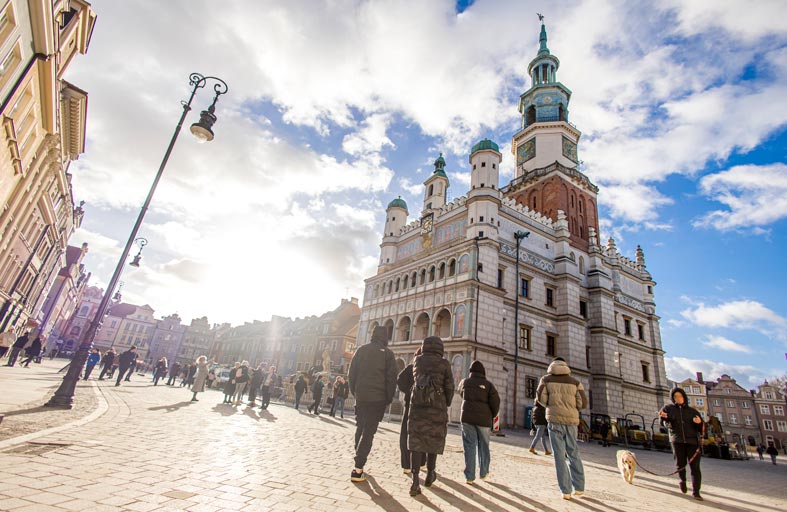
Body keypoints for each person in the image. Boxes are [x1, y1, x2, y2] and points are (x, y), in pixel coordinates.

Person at [348, 325, 397, 483]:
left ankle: (358, 459)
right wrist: (388, 398)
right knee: (368, 432)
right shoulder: (388, 355)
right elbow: (391, 379)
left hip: (361, 396)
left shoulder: (361, 350)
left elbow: (352, 372)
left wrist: (355, 391)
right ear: (386, 337)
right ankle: (358, 467)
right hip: (377, 399)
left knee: (360, 428)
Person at [407, 336, 454, 496]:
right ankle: (430, 473)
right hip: (437, 406)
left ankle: (414, 481)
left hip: (418, 406)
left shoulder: (418, 360)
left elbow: (416, 379)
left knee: (416, 441)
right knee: (433, 438)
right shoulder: (444, 363)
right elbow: (449, 386)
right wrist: (446, 402)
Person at [537, 356, 587, 501]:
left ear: (552, 366)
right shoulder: (576, 382)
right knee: (573, 452)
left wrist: (551, 407)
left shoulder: (545, 380)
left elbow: (540, 397)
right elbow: (583, 403)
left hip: (554, 420)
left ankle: (566, 490)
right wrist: (572, 408)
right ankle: (579, 487)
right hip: (571, 422)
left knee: (559, 456)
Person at [458, 360, 500, 485]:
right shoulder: (488, 385)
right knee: (484, 446)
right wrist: (492, 414)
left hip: (467, 418)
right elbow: (495, 402)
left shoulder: (464, 382)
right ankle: (484, 472)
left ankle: (470, 476)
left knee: (469, 446)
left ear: (470, 372)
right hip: (484, 420)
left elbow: (461, 394)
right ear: (483, 372)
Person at [659, 387, 704, 501]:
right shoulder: (668, 409)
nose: (678, 398)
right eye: (675, 396)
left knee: (695, 468)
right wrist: (663, 419)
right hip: (677, 441)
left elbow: (702, 428)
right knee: (680, 464)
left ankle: (696, 492)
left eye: (680, 396)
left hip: (692, 442)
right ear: (672, 398)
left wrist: (700, 423)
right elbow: (664, 423)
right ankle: (683, 481)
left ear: (684, 397)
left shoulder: (692, 411)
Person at [397, 348, 424, 474]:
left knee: (405, 434)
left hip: (410, 405)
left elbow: (399, 381)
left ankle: (406, 464)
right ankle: (422, 462)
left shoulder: (410, 368)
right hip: (424, 407)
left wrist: (408, 392)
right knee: (422, 435)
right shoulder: (427, 370)